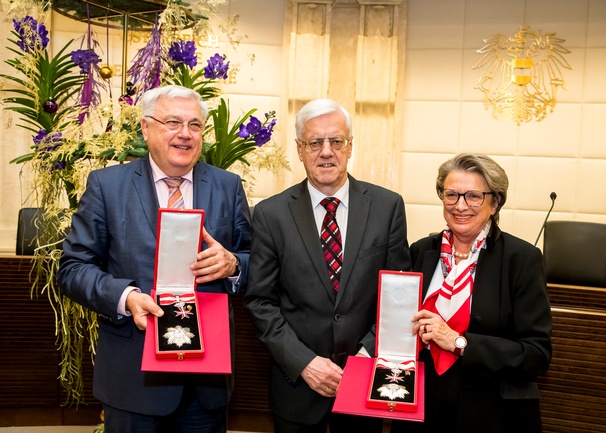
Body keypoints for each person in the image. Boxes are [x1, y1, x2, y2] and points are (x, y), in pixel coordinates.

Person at [57, 85, 251, 433]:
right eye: (173, 122)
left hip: (206, 380)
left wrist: (234, 265)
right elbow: (73, 269)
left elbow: (256, 262)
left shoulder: (228, 186)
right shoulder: (107, 186)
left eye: (194, 125)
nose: (185, 134)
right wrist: (126, 297)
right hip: (134, 378)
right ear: (146, 128)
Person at [243, 98, 411, 433]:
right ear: (299, 149)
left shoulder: (387, 207)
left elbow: (400, 299)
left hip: (365, 382)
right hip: (296, 387)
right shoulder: (271, 214)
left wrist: (365, 358)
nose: (326, 151)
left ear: (350, 147)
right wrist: (304, 363)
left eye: (336, 141)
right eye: (314, 142)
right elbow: (260, 301)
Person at [391, 153, 552, 433]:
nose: (460, 205)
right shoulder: (420, 251)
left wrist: (459, 342)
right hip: (422, 409)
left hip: (491, 414)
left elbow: (536, 354)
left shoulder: (522, 259)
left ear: (495, 202)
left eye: (474, 196)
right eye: (451, 194)